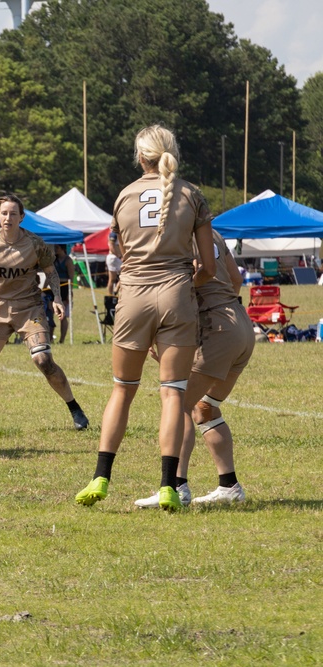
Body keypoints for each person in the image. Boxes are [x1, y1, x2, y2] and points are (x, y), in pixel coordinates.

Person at [76, 125, 216, 511]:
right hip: (176, 295)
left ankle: (100, 478)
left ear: (140, 157)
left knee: (122, 388)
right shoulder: (192, 194)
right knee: (172, 392)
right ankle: (169, 485)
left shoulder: (124, 195)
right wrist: (187, 284)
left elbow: (118, 255)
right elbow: (208, 266)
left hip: (134, 297)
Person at [134, 228, 254, 507]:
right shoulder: (212, 233)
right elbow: (235, 279)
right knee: (204, 407)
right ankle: (229, 487)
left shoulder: (176, 236)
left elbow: (199, 274)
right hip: (240, 324)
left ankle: (176, 487)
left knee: (179, 406)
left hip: (217, 328)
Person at [0, 196, 88, 434]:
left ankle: (75, 409)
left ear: (22, 217)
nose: (8, 218)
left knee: (43, 361)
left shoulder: (35, 243)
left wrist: (57, 300)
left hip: (29, 309)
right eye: (4, 213)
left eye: (13, 214)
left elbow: (51, 272)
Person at [49, 244, 75, 343]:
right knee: (50, 312)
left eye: (57, 248)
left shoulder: (68, 261)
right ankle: (50, 338)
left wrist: (70, 292)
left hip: (64, 287)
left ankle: (62, 340)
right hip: (53, 287)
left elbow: (71, 277)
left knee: (62, 315)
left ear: (62, 249)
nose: (55, 249)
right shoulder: (53, 260)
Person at [106, 229, 122, 295]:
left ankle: (111, 295)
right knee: (125, 275)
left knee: (111, 279)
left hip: (113, 257)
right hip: (115, 257)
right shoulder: (113, 234)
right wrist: (119, 256)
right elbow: (112, 246)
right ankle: (115, 290)